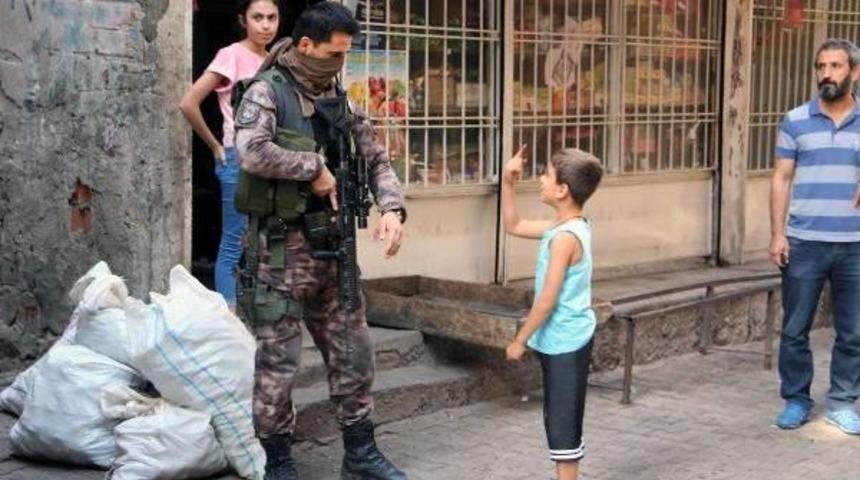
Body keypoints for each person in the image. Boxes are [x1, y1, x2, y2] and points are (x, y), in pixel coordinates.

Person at [232, 2, 407, 479]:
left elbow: (376, 158)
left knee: (356, 355)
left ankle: (360, 455)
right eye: (334, 54)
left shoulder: (339, 98)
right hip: (280, 254)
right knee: (278, 367)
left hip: (335, 253)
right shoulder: (267, 93)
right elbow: (249, 151)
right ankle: (279, 464)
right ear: (305, 46)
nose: (339, 65)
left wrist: (391, 208)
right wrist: (315, 169)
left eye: (345, 56)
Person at [770, 38, 860, 435]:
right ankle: (796, 399)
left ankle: (842, 401)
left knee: (853, 330)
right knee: (794, 328)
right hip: (804, 241)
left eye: (836, 66)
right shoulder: (795, 119)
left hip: (856, 245)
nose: (827, 73)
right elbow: (781, 178)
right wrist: (777, 235)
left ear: (853, 72)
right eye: (821, 66)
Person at [502, 145, 603, 480]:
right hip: (560, 340)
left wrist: (520, 340)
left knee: (563, 425)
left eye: (546, 175)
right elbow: (513, 225)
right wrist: (508, 183)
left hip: (567, 341)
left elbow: (547, 299)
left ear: (562, 190)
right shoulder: (560, 227)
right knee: (558, 419)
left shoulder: (564, 238)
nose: (541, 179)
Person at [179, 0, 280, 311]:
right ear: (243, 20)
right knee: (233, 244)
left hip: (271, 160)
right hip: (237, 159)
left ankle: (259, 316)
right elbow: (189, 103)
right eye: (258, 17)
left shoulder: (277, 62)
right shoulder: (231, 55)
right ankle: (230, 321)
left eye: (272, 18)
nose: (265, 25)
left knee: (266, 242)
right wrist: (216, 146)